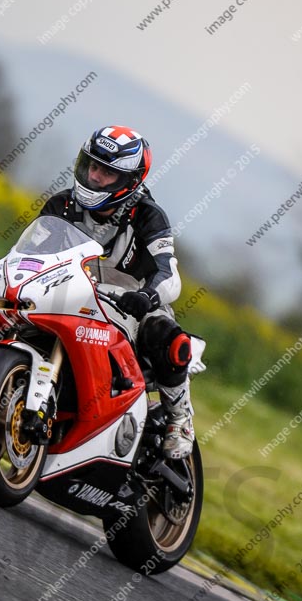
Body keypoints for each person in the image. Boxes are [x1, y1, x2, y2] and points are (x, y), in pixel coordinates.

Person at [40, 125, 203, 460]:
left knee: (169, 337)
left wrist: (147, 297)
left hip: (132, 305)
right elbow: (32, 255)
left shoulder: (148, 216)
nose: (95, 176)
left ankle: (180, 419)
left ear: (129, 181)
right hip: (73, 295)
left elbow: (169, 274)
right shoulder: (61, 205)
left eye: (107, 172)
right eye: (92, 166)